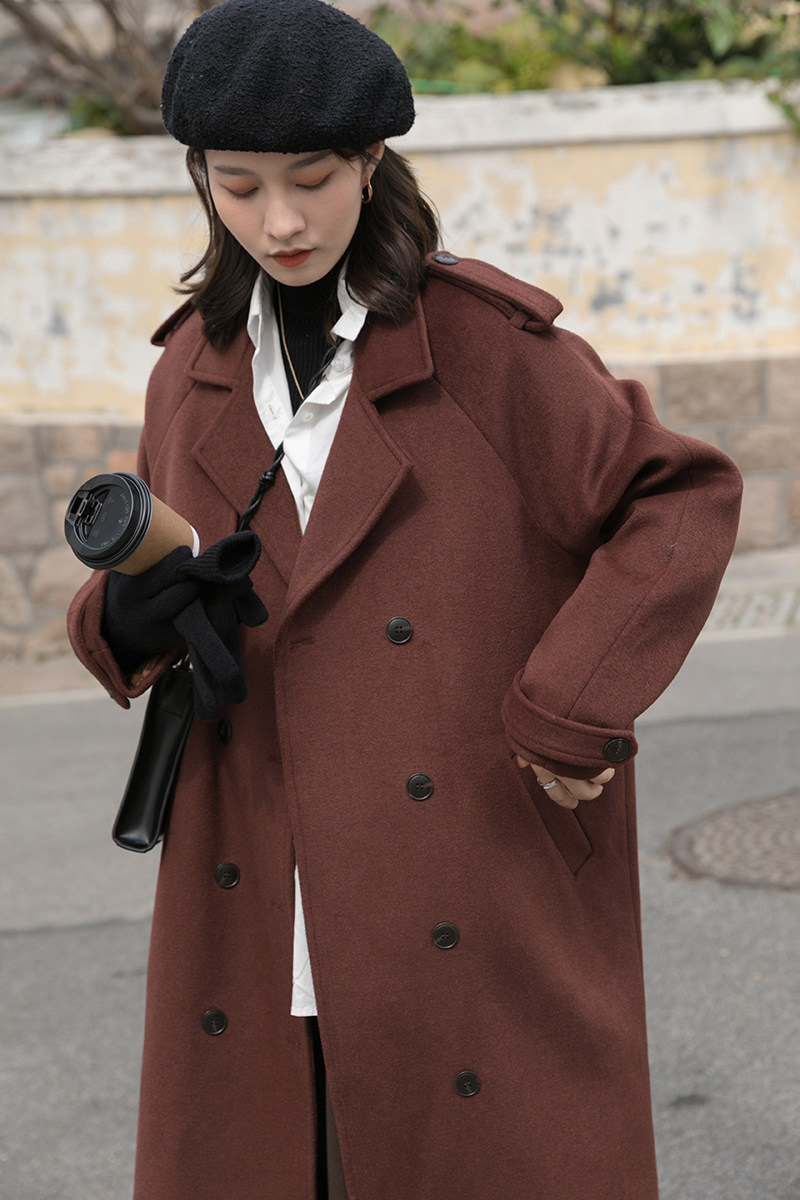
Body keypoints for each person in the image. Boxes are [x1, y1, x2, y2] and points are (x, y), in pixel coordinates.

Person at [67, 1, 743, 1197]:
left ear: (372, 161)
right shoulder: (192, 367)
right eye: (237, 186)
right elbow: (150, 577)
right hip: (255, 867)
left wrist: (565, 706)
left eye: (312, 179)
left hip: (456, 864)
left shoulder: (490, 351)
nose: (278, 221)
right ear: (200, 177)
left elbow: (677, 497)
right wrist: (126, 618)